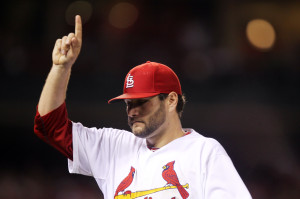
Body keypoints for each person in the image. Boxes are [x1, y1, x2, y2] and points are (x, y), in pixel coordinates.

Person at [34, 15, 252, 199]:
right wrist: (60, 68)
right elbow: (48, 126)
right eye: (128, 103)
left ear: (171, 100)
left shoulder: (204, 152)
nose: (132, 111)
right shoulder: (114, 146)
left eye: (142, 102)